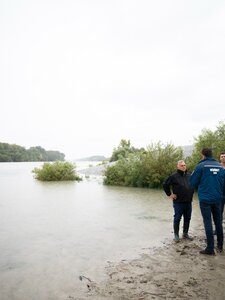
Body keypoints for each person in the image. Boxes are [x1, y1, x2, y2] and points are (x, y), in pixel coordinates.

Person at [190, 148, 225, 255]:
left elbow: (192, 182)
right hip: (218, 198)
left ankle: (210, 248)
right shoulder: (220, 167)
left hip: (205, 199)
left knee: (207, 221)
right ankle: (220, 245)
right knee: (218, 221)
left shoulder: (201, 166)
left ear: (203, 155)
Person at [163, 160, 194, 242]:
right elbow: (165, 184)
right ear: (178, 166)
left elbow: (193, 184)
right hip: (178, 202)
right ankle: (176, 235)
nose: (183, 167)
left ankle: (185, 233)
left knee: (188, 218)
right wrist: (169, 194)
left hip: (188, 201)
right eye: (181, 165)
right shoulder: (173, 176)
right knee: (177, 218)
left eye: (184, 165)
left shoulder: (189, 175)